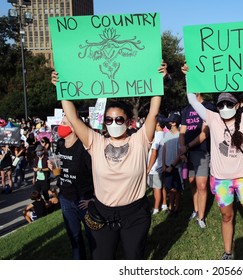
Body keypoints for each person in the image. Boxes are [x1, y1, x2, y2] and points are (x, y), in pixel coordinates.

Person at [51, 62, 165, 260]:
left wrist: (158, 83)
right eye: (109, 120)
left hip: (135, 214)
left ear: (129, 121)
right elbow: (73, 118)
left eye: (119, 119)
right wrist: (62, 89)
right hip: (101, 213)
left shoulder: (140, 140)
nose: (113, 123)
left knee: (133, 259)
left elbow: (153, 114)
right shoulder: (95, 142)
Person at [184, 64, 243, 259]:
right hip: (221, 180)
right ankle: (228, 253)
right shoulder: (213, 119)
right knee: (226, 216)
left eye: (229, 104)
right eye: (221, 104)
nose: (224, 108)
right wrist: (189, 76)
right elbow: (191, 98)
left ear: (238, 105)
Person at [48, 114, 95, 260]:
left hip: (84, 198)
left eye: (64, 122)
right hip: (66, 198)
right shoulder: (60, 144)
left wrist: (94, 198)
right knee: (74, 236)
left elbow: (97, 174)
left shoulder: (84, 147)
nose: (60, 126)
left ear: (74, 127)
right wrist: (52, 168)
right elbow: (59, 170)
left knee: (92, 235)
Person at [179, 93, 215, 228]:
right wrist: (182, 148)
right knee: (192, 182)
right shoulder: (186, 109)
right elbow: (182, 131)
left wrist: (187, 146)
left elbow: (205, 133)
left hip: (201, 151)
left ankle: (201, 217)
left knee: (201, 185)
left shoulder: (208, 106)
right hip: (187, 153)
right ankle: (196, 209)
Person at [162, 111, 183, 216]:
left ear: (174, 122)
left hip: (176, 167)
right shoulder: (167, 135)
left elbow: (180, 153)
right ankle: (170, 206)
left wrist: (172, 166)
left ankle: (177, 208)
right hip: (167, 166)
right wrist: (163, 164)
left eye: (170, 120)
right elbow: (164, 149)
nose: (169, 123)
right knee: (170, 188)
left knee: (177, 189)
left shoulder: (180, 135)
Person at [147, 115, 168, 215]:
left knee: (156, 188)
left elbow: (154, 153)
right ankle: (164, 204)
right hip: (161, 165)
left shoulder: (157, 136)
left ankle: (156, 208)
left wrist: (148, 168)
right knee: (161, 186)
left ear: (158, 123)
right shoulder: (164, 134)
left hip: (154, 167)